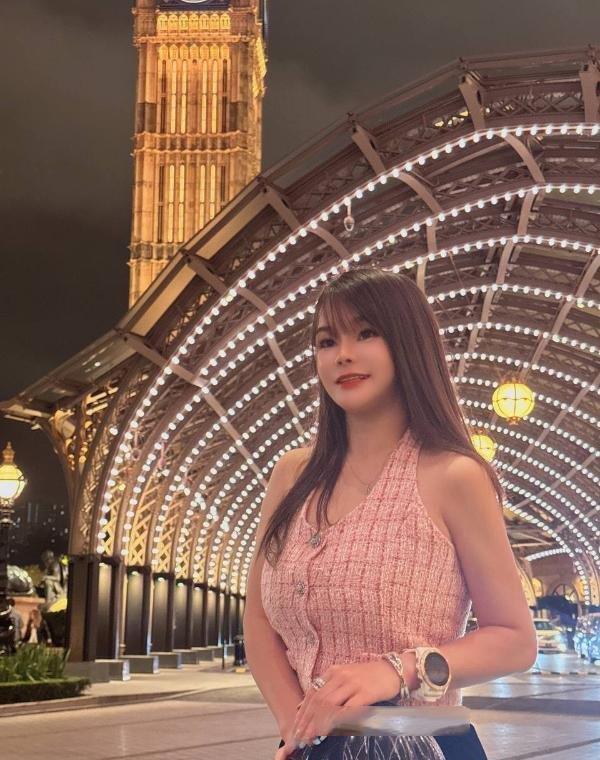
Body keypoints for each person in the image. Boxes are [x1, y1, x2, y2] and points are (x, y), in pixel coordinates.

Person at [244, 267, 537, 759]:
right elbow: (258, 621)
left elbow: (514, 640)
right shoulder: (292, 475)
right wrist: (298, 728)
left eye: (366, 333)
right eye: (326, 341)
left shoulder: (454, 475)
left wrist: (398, 670)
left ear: (409, 344)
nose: (343, 354)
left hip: (420, 744)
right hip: (308, 746)